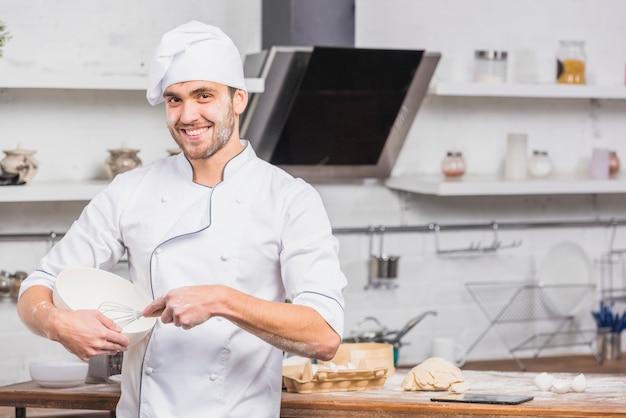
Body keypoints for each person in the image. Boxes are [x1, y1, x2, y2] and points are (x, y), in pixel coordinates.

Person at [17, 21, 346, 418]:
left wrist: (223, 300)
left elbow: (325, 335)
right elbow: (40, 284)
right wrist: (57, 324)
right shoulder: (131, 189)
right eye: (175, 100)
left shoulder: (289, 199)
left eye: (203, 96)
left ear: (238, 99)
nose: (188, 115)